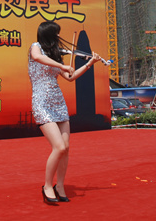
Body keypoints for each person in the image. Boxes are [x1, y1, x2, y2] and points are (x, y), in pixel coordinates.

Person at [28, 20, 102, 204]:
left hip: (58, 103)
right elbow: (38, 58)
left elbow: (70, 77)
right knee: (59, 147)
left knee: (66, 148)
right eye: (56, 33)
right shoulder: (35, 47)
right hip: (42, 103)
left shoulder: (55, 56)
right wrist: (61, 65)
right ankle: (47, 186)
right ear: (48, 34)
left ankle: (59, 185)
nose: (59, 36)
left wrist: (90, 63)